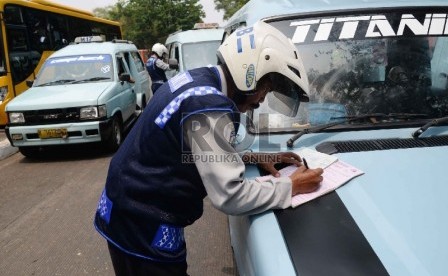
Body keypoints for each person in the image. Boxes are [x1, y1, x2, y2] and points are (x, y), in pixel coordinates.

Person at [94, 21, 324, 276]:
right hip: (142, 222)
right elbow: (230, 195)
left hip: (125, 207)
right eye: (265, 89)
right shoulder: (208, 105)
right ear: (248, 73)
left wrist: (255, 157)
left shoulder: (201, 78)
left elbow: (194, 147)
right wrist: (291, 186)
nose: (261, 100)